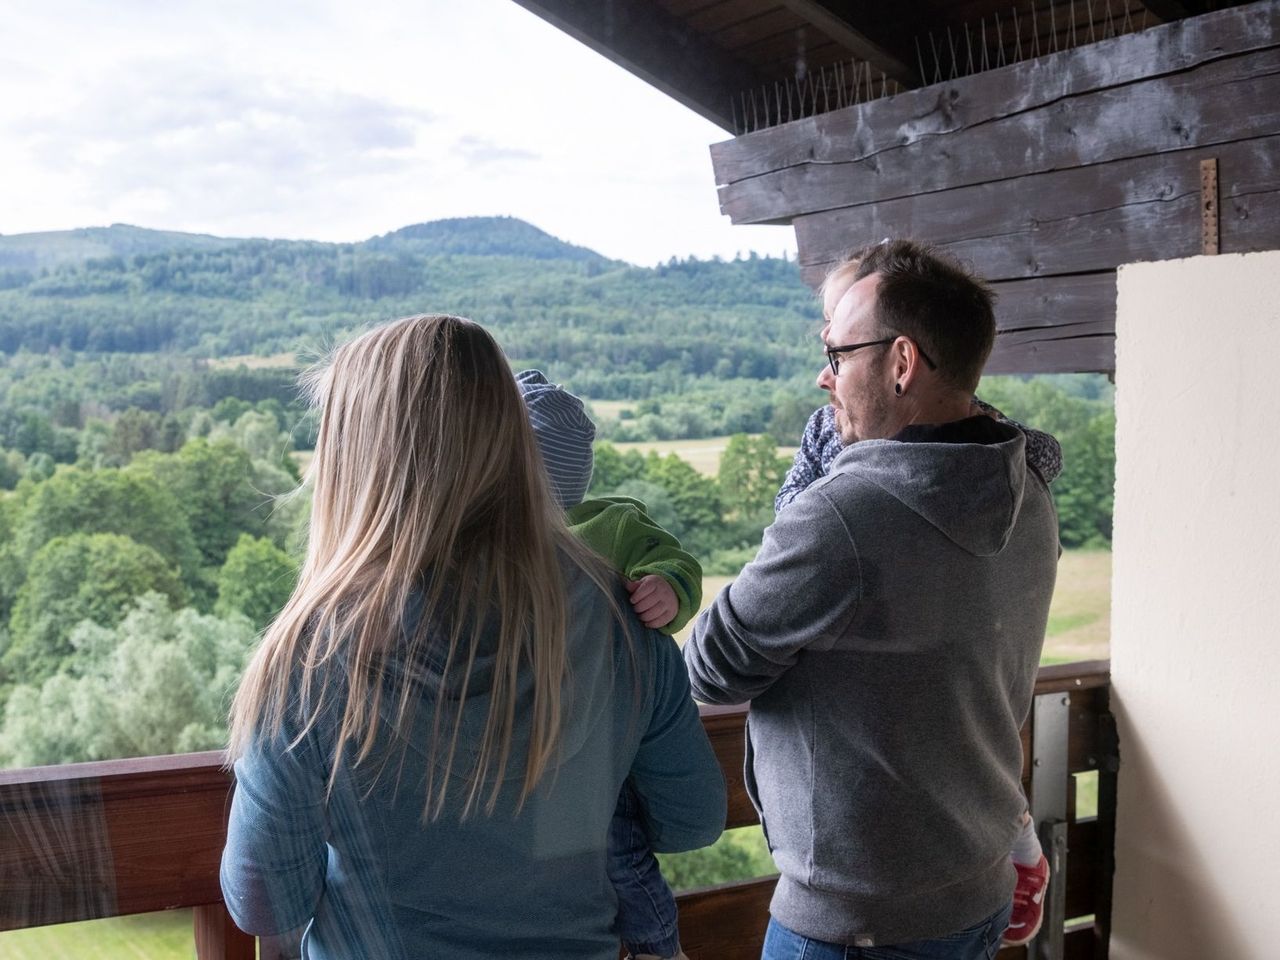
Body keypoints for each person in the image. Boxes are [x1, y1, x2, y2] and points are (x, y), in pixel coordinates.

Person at [220, 314, 726, 960]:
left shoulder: (309, 657)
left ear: (359, 460)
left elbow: (266, 900)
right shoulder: (615, 619)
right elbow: (693, 819)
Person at [683, 240, 1061, 959]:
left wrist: (809, 490)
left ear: (901, 363)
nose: (824, 381)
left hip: (856, 923)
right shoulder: (1030, 487)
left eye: (837, 354)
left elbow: (712, 664)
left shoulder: (845, 516)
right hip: (976, 891)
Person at [518, 368, 702, 960]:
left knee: (620, 857)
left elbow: (677, 564)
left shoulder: (613, 524)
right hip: (532, 749)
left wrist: (666, 590)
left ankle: (657, 945)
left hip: (598, 749)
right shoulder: (493, 535)